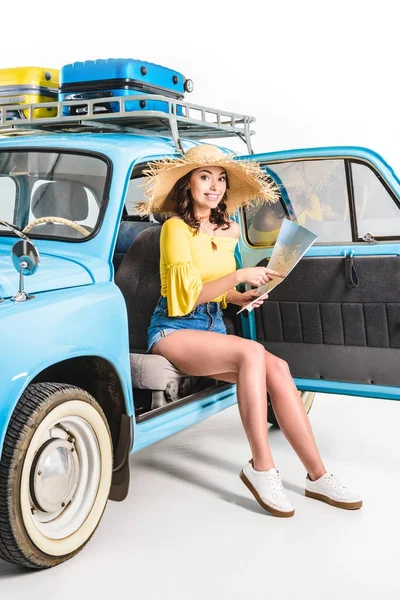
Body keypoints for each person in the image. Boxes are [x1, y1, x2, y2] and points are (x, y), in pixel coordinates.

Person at [138, 144, 362, 518]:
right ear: (187, 184)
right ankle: (261, 467)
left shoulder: (229, 228)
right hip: (173, 329)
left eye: (221, 178)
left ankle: (317, 476)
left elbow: (217, 293)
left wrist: (241, 296)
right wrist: (239, 276)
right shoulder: (174, 229)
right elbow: (184, 300)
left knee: (279, 369)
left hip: (211, 324)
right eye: (204, 177)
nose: (214, 186)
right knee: (252, 353)